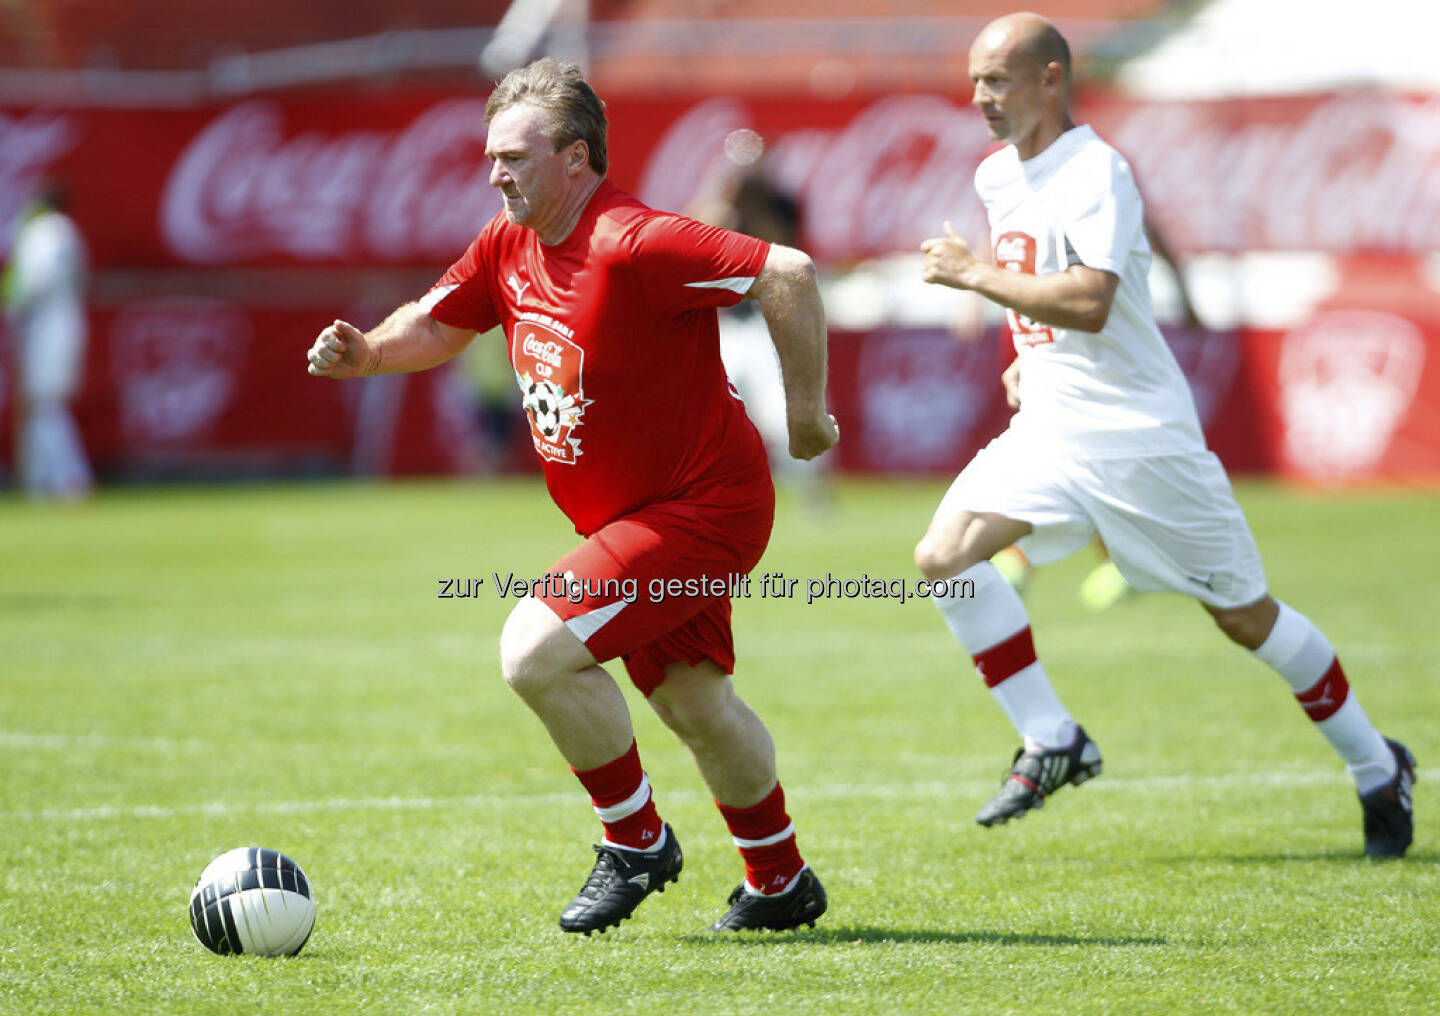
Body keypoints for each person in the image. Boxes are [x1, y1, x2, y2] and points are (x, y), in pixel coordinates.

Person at [307, 58, 839, 931]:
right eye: (492, 157)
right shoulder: (508, 240)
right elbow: (440, 318)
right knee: (696, 704)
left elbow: (787, 273)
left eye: (515, 156)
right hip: (633, 513)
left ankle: (634, 842)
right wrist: (368, 350)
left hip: (703, 507)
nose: (496, 173)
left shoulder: (633, 240)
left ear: (577, 158)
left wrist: (807, 416)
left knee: (534, 649)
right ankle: (781, 884)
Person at [914, 13, 1415, 857]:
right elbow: (1045, 298)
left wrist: (973, 275)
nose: (980, 98)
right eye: (974, 81)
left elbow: (1091, 298)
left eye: (997, 79)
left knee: (1245, 618)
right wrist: (1027, 357)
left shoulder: (1097, 170)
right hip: (1053, 426)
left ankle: (1376, 764)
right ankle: (1051, 738)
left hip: (1141, 440)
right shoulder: (999, 175)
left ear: (1050, 78)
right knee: (944, 557)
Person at [2, 179, 93, 501]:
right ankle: (40, 481)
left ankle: (70, 478)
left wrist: (11, 298)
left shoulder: (45, 231)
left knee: (46, 406)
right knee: (43, 406)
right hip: (57, 326)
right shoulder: (64, 230)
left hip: (49, 329)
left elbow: (35, 282)